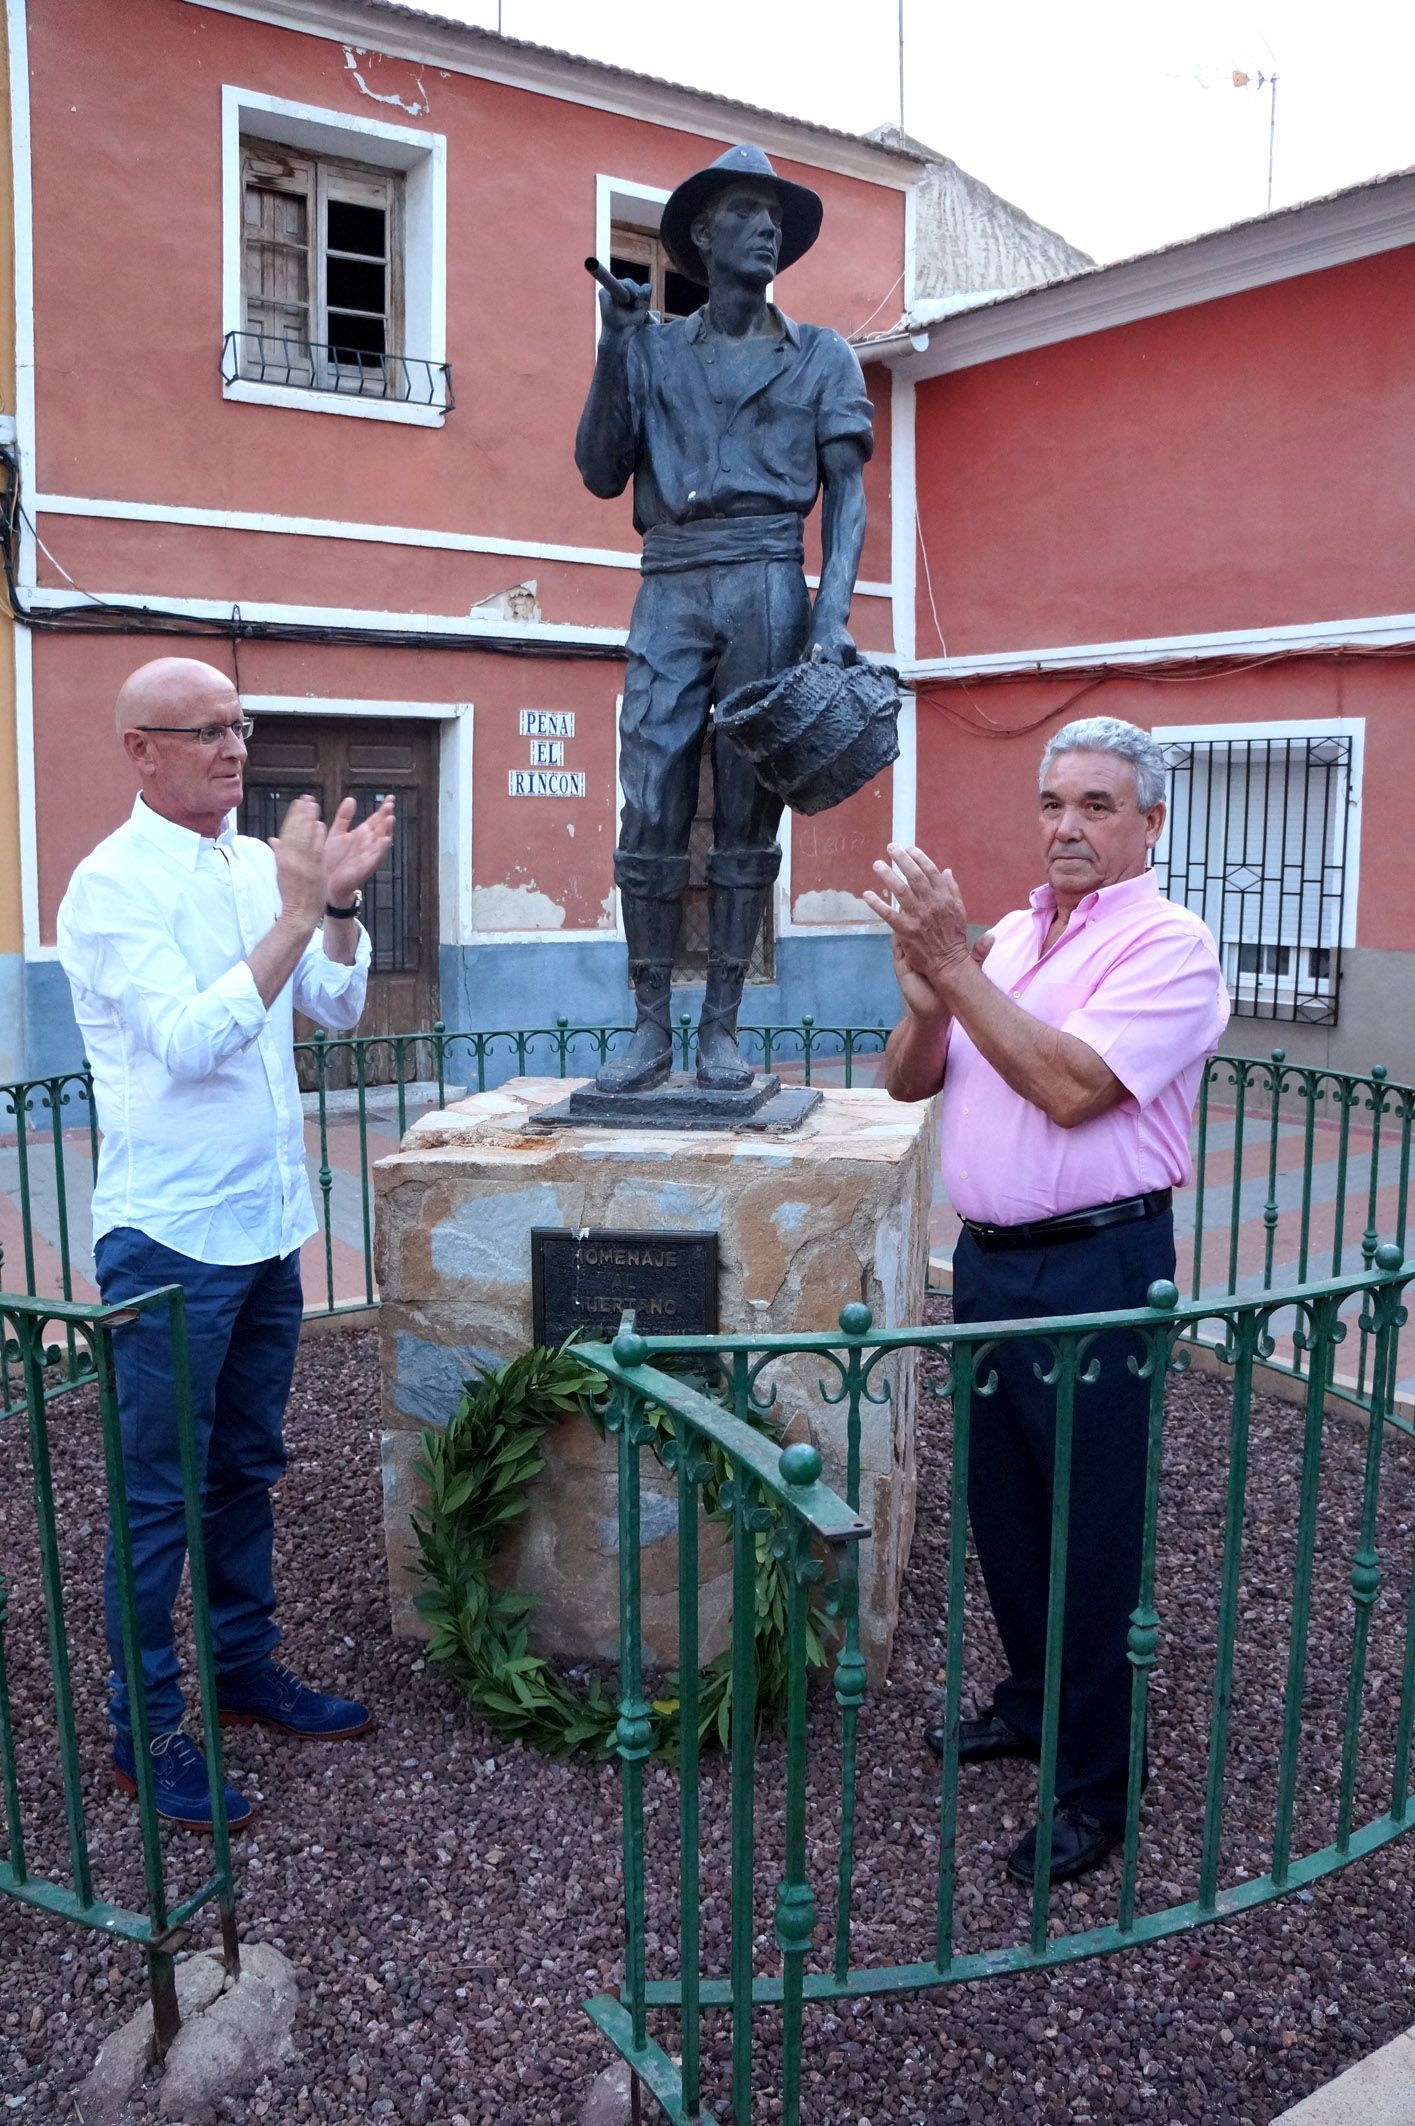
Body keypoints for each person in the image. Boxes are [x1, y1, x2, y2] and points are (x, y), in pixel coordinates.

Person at [865, 716, 1230, 1887]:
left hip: (1094, 1267)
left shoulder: (1170, 946)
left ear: (1148, 822)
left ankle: (1092, 1782)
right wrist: (930, 991)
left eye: (1096, 806)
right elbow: (904, 1076)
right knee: (1007, 1509)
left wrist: (956, 967)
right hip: (986, 1265)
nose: (1066, 826)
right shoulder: (1014, 935)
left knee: (1091, 1526)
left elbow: (1071, 1086)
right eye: (1051, 803)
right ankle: (1028, 1702)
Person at [57, 657, 396, 1830]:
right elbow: (196, 1039)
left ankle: (242, 1667)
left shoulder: (260, 863)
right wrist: (300, 915)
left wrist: (337, 906)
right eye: (204, 730)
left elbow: (341, 1007)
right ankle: (142, 1731)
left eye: (239, 725)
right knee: (159, 1497)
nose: (233, 746)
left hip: (263, 1225)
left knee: (245, 1468)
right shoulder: (109, 890)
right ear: (140, 749)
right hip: (169, 1238)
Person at [575, 142, 873, 1094]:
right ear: (702, 238)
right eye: (746, 214)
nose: (766, 229)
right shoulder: (653, 347)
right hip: (670, 578)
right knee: (651, 798)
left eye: (774, 218)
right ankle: (649, 1027)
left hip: (766, 576)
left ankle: (720, 1032)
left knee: (749, 804)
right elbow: (597, 469)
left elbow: (849, 495)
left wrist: (830, 619)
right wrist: (615, 344)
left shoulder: (820, 353)